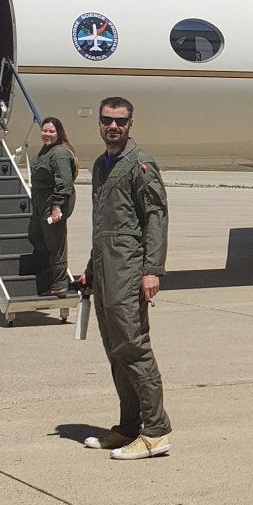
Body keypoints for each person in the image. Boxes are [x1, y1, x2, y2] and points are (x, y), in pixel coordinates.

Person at [75, 96, 174, 460]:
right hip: (105, 268)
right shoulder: (101, 165)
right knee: (116, 350)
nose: (112, 126)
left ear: (131, 123)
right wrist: (89, 268)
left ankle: (155, 430)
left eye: (119, 121)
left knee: (133, 346)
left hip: (130, 268)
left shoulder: (140, 164)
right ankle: (130, 425)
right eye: (106, 120)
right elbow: (102, 224)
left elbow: (156, 218)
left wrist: (152, 270)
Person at [28, 117, 77, 297]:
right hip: (41, 204)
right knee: (34, 235)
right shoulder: (45, 152)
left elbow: (64, 182)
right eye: (44, 131)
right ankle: (48, 275)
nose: (47, 134)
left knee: (56, 244)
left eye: (51, 132)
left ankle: (60, 283)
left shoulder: (59, 154)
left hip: (52, 204)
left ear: (59, 133)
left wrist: (57, 206)